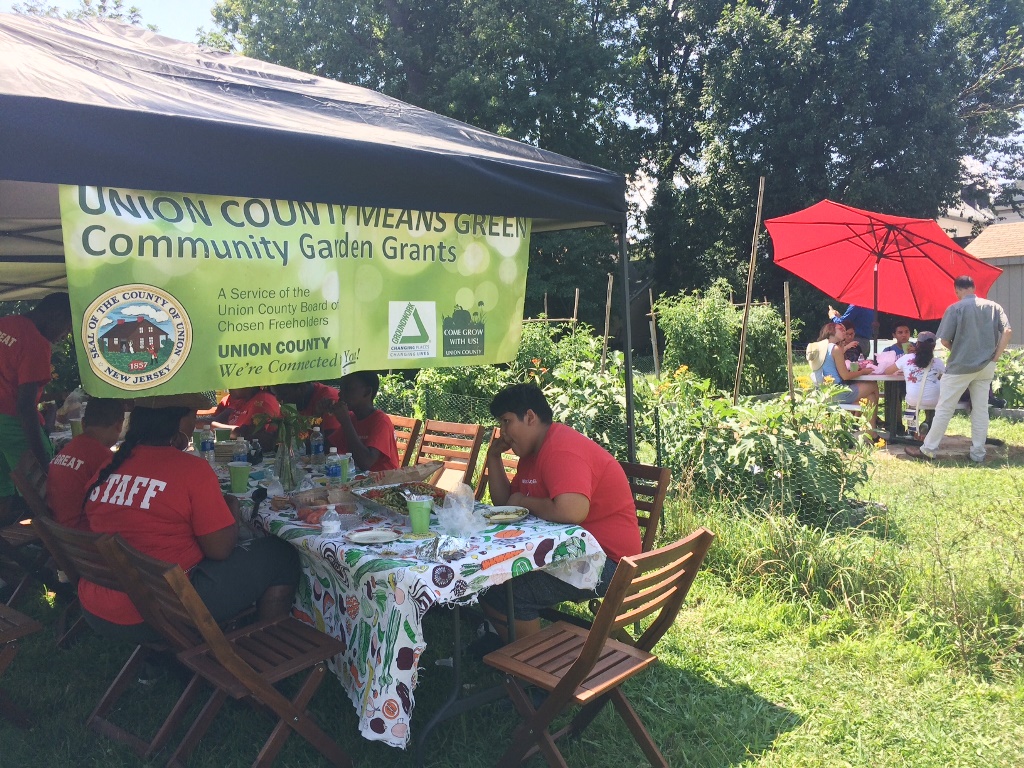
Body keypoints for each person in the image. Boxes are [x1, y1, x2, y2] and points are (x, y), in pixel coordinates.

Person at [77, 393, 299, 644]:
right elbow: (220, 550)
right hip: (161, 611)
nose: (194, 423)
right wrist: (232, 509)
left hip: (98, 604)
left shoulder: (108, 467)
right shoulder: (191, 470)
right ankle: (268, 650)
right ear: (180, 422)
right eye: (193, 416)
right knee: (280, 554)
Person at [477, 383, 639, 645]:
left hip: (607, 562)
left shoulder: (561, 448)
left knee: (504, 589)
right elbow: (506, 504)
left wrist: (524, 502)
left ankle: (530, 660)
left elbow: (572, 511)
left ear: (530, 417)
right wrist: (493, 457)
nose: (503, 432)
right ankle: (512, 645)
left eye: (506, 421)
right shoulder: (533, 452)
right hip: (571, 550)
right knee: (491, 576)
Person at [906, 276, 1012, 463]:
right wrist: (996, 356)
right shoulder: (994, 307)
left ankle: (928, 449)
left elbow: (944, 340)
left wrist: (959, 350)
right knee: (980, 410)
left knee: (944, 408)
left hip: (960, 366)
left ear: (956, 290)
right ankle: (978, 453)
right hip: (986, 365)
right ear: (974, 287)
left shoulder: (955, 308)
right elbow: (1008, 331)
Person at [0, 292, 73, 522]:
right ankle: (53, 540)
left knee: (3, 487)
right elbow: (24, 405)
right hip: (12, 420)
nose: (64, 336)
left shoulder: (6, 323)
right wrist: (42, 460)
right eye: (66, 328)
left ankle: (5, 539)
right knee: (41, 494)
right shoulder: (36, 343)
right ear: (56, 315)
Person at [47, 398, 125, 530]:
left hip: (59, 528)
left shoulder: (69, 448)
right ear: (119, 425)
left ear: (83, 423)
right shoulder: (104, 458)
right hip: (84, 533)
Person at [326, 371, 399, 472]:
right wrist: (322, 416)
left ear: (367, 392)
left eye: (348, 389)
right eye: (341, 389)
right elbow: (328, 448)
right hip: (358, 478)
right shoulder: (352, 417)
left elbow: (366, 463)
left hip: (384, 480)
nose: (340, 394)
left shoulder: (381, 421)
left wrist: (346, 422)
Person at [810, 322, 879, 428]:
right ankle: (871, 424)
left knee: (871, 397)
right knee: (873, 385)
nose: (844, 331)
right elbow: (845, 376)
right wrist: (863, 372)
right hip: (838, 393)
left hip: (822, 393)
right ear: (831, 331)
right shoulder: (835, 349)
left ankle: (871, 432)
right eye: (841, 329)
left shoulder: (821, 347)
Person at [884, 331, 944, 409]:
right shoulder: (938, 362)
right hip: (934, 401)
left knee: (913, 398)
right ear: (934, 346)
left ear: (917, 344)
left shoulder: (906, 358)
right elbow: (944, 379)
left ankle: (912, 416)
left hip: (913, 400)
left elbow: (887, 371)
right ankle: (931, 417)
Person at [207, 387, 281, 450]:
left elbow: (248, 434)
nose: (228, 387)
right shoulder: (237, 399)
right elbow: (219, 418)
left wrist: (211, 426)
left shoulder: (263, 401)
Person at [272, 381, 342, 447]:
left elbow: (330, 446)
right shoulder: (291, 404)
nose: (280, 401)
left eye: (284, 395)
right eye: (276, 396)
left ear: (302, 388)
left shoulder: (329, 401)